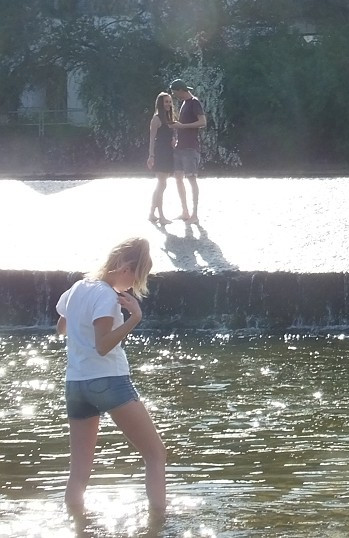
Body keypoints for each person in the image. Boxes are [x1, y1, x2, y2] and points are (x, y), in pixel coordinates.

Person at [55, 237, 166, 518]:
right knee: (155, 454)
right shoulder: (105, 295)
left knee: (78, 472)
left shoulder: (77, 287)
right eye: (135, 279)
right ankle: (160, 523)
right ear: (126, 267)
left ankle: (77, 526)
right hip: (108, 381)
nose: (131, 287)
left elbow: (62, 328)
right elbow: (103, 346)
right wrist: (133, 318)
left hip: (76, 384)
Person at [146, 91, 188, 224]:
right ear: (160, 103)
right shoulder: (156, 119)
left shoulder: (169, 118)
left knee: (161, 185)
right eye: (166, 102)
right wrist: (151, 156)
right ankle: (161, 216)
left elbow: (172, 134)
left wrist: (174, 139)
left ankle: (152, 213)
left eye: (170, 101)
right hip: (160, 154)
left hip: (169, 153)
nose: (169, 104)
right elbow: (152, 139)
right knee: (162, 184)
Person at [169, 79, 206, 225]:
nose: (174, 95)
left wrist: (183, 126)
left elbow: (203, 122)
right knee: (178, 178)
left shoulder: (194, 102)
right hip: (180, 147)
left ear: (180, 90)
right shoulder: (183, 103)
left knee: (191, 179)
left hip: (191, 148)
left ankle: (195, 214)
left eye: (174, 92)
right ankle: (185, 211)